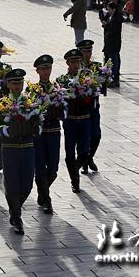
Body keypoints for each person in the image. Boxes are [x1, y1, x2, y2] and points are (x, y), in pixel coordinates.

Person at [0, 68, 35, 235]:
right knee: (12, 184)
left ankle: (15, 209)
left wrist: (36, 127)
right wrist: (5, 130)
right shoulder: (2, 104)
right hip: (10, 148)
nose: (18, 86)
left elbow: (38, 119)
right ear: (8, 84)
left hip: (27, 147)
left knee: (27, 184)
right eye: (14, 83)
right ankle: (17, 217)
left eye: (20, 82)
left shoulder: (29, 102)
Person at [28, 55, 61, 214]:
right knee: (40, 167)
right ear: (37, 71)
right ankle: (46, 199)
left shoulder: (57, 88)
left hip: (54, 131)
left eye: (48, 68)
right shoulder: (32, 90)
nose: (46, 72)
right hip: (39, 134)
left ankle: (42, 192)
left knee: (53, 168)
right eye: (43, 69)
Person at [56, 49, 91, 194]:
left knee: (84, 152)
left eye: (78, 61)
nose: (76, 65)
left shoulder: (87, 78)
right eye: (73, 62)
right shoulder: (62, 80)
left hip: (84, 119)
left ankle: (74, 171)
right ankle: (74, 181)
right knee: (70, 152)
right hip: (70, 121)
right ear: (67, 63)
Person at [77, 40, 103, 175]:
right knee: (82, 137)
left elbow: (103, 85)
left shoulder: (96, 67)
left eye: (90, 50)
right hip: (81, 108)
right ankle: (83, 161)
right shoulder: (76, 68)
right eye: (85, 51)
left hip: (93, 106)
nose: (88, 53)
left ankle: (89, 157)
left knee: (96, 135)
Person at [101, 1, 123, 86]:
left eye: (109, 9)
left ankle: (114, 78)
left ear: (113, 9)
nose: (108, 11)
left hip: (113, 42)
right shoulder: (112, 16)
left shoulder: (116, 18)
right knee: (114, 59)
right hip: (112, 42)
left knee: (114, 61)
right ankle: (113, 78)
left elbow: (113, 30)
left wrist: (106, 25)